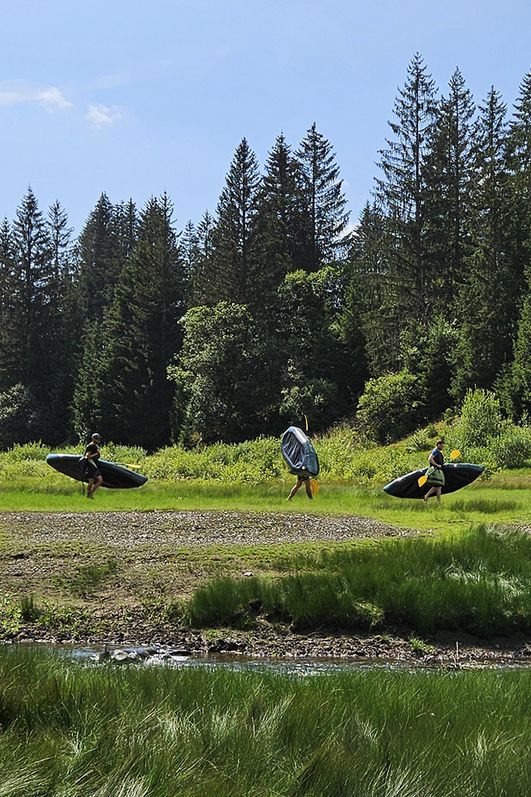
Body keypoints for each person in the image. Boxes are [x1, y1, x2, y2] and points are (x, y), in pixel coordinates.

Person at [82, 433, 103, 499]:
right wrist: (96, 454)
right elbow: (87, 456)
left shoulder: (96, 446)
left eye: (98, 438)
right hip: (91, 465)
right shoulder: (90, 446)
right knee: (91, 482)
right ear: (93, 439)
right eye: (96, 438)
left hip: (95, 466)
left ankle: (91, 493)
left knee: (100, 480)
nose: (98, 440)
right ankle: (88, 495)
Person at [423, 439, 445, 504]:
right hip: (435, 470)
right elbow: (430, 459)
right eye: (441, 445)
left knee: (439, 486)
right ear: (438, 445)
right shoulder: (435, 451)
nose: (442, 447)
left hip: (438, 470)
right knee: (437, 485)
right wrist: (437, 465)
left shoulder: (438, 452)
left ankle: (439, 502)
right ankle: (426, 496)